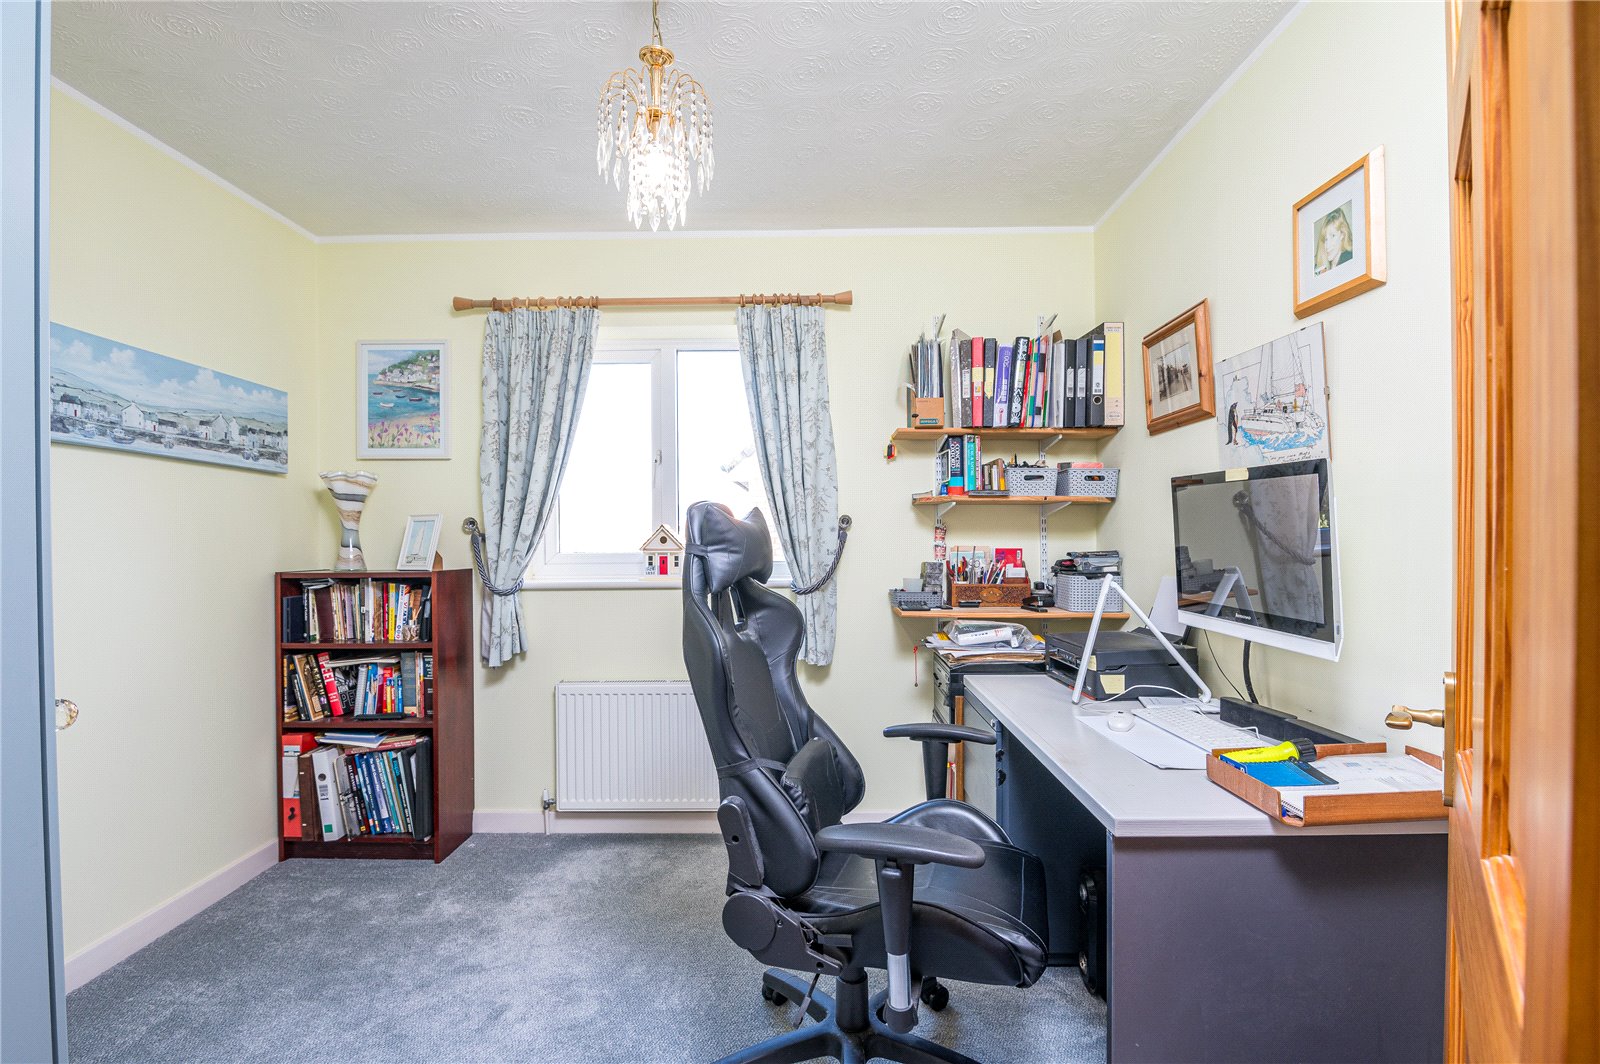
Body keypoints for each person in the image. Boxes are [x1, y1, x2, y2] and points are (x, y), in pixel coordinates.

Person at [1315, 205, 1355, 275]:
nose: (1327, 245)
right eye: (1326, 239)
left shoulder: (1350, 261)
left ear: (1342, 234)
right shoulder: (1322, 269)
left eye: (1333, 236)